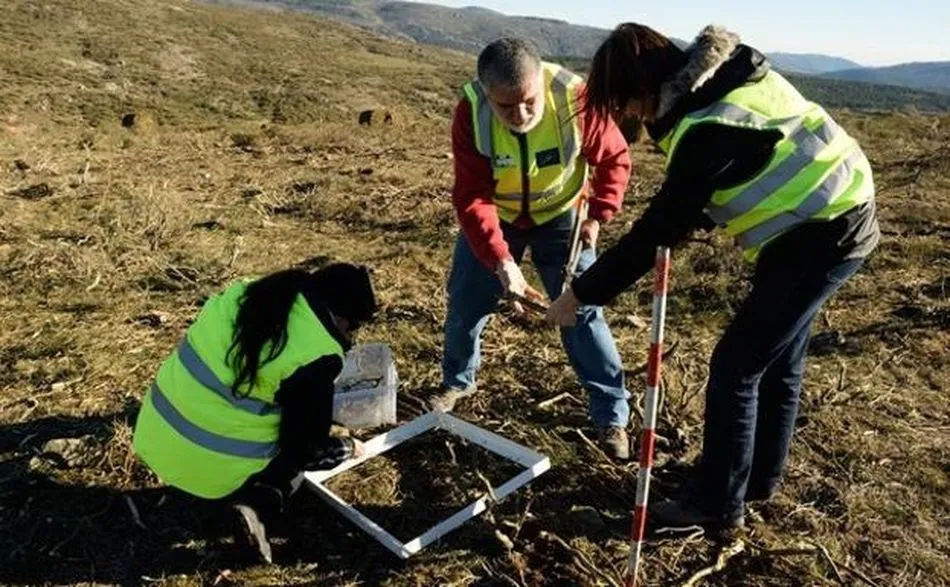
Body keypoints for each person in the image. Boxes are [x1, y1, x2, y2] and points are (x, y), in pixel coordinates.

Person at [546, 24, 880, 530]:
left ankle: (716, 506)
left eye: (626, 103)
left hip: (823, 234)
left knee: (735, 368)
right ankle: (755, 480)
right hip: (833, 214)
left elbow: (657, 231)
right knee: (778, 360)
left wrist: (581, 295)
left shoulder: (705, 126)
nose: (628, 115)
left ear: (644, 88)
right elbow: (742, 166)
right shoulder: (728, 81)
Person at [434, 37, 635, 459]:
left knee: (582, 311)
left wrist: (599, 214)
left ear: (539, 82)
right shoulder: (471, 111)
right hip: (498, 218)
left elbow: (614, 158)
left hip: (564, 219)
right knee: (467, 301)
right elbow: (471, 196)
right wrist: (501, 260)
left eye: (528, 102)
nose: (521, 115)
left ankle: (611, 414)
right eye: (507, 107)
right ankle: (457, 381)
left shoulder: (573, 97)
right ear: (487, 92)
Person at [132, 264, 377, 562]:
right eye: (353, 328)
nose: (351, 336)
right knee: (292, 452)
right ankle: (259, 504)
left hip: (154, 432)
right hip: (204, 469)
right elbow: (307, 452)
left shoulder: (248, 294)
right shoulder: (316, 355)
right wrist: (347, 447)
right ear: (340, 318)